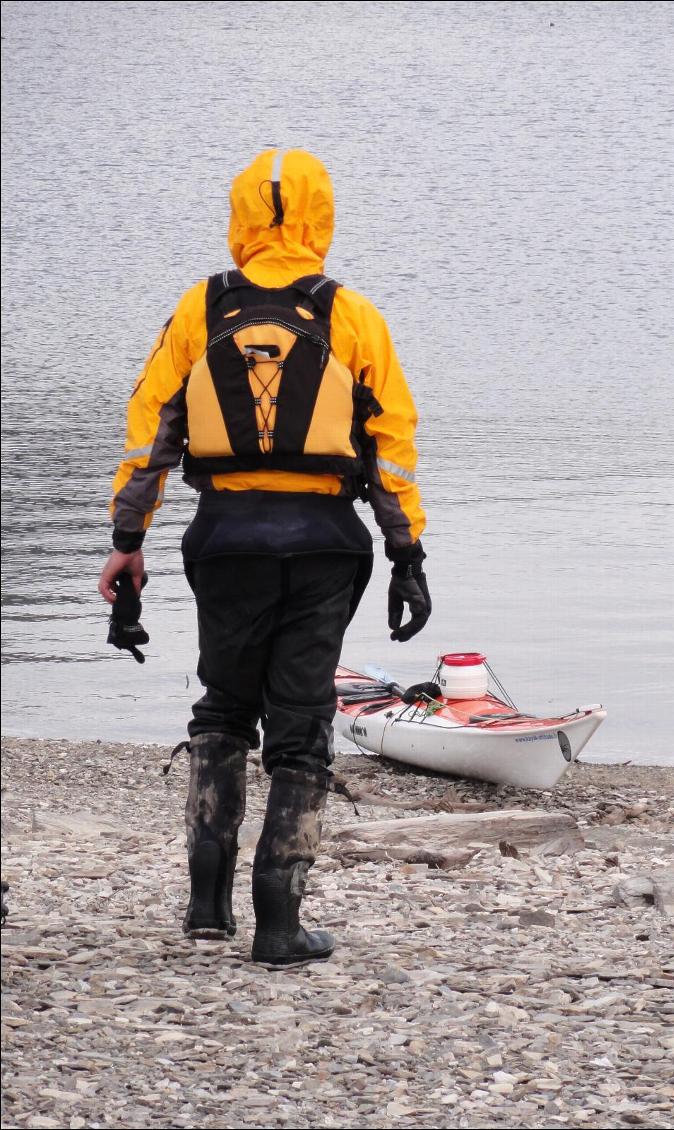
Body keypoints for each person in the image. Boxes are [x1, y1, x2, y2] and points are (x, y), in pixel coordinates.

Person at [97, 148, 430, 966]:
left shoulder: (199, 309)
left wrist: (127, 542)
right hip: (324, 543)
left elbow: (152, 436)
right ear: (322, 215)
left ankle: (206, 906)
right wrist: (406, 553)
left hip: (226, 539)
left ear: (240, 215)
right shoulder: (350, 314)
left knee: (221, 708)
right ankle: (279, 922)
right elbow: (390, 449)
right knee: (301, 722)